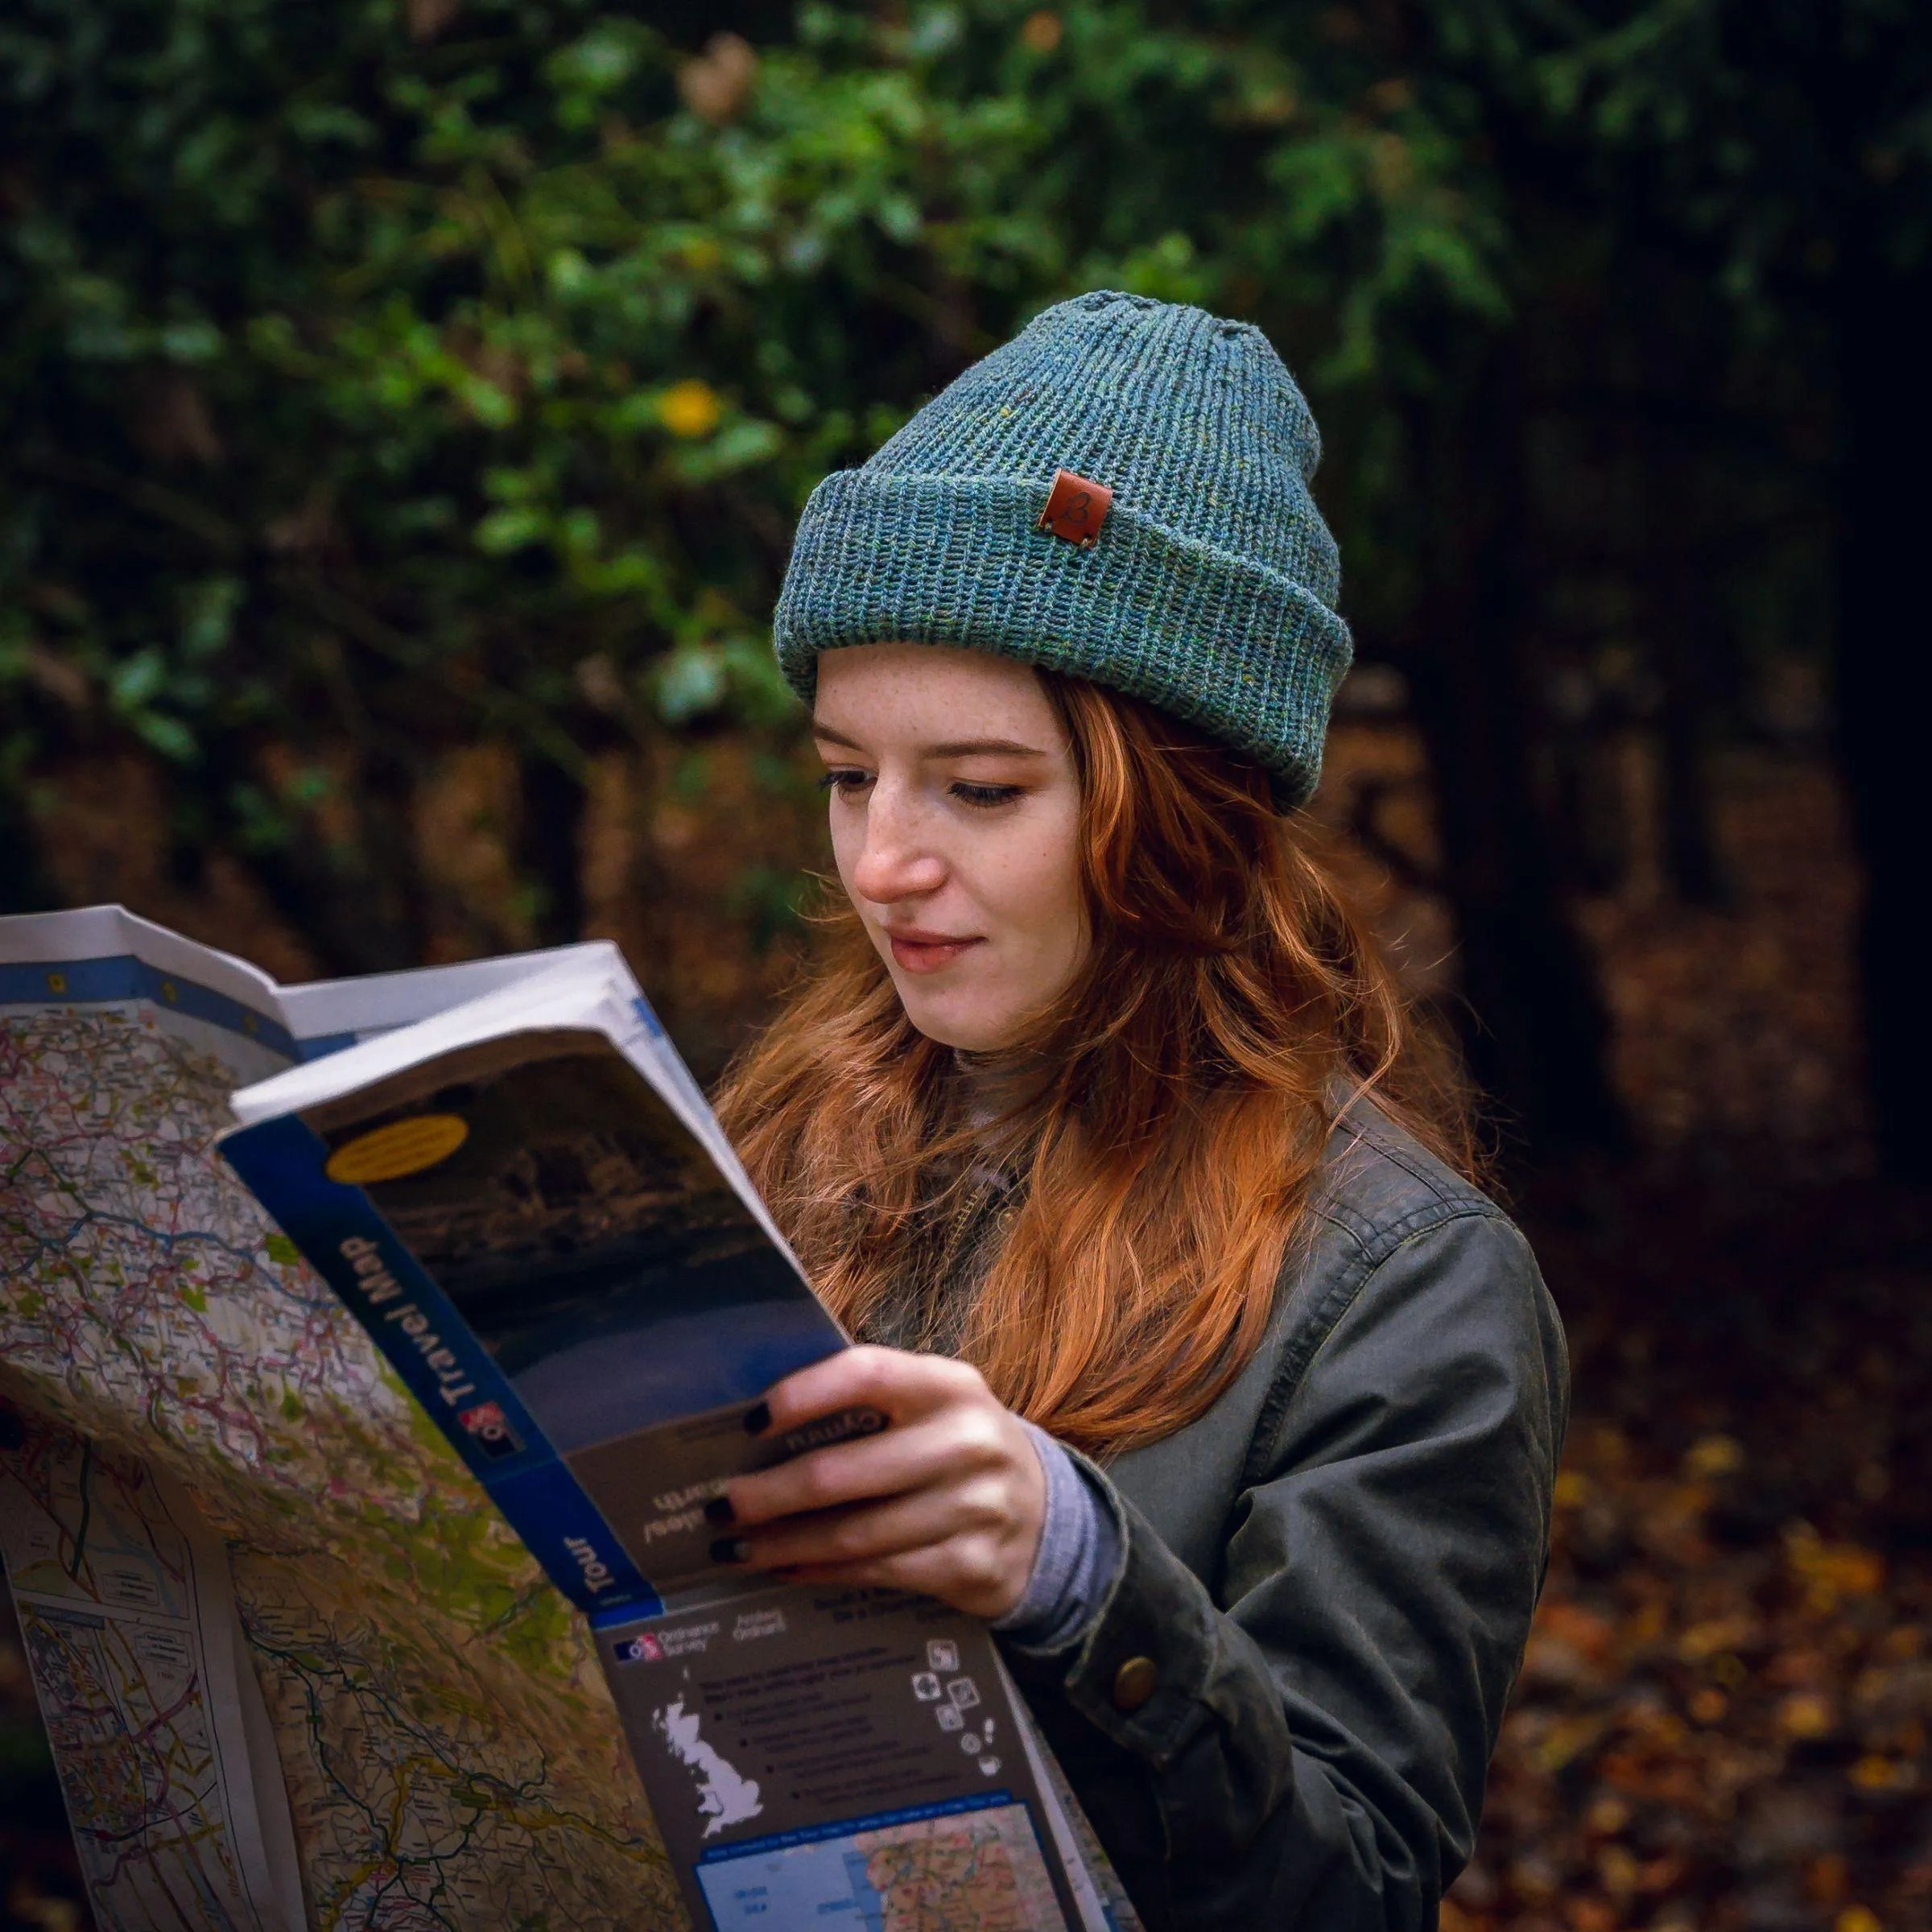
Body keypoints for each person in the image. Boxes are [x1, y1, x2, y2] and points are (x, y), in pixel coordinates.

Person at [705, 291, 1569, 1930]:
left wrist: (1080, 1583)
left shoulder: (1409, 1286)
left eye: (980, 788)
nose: (883, 862)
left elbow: (1350, 1889)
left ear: (1187, 808)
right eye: (843, 774)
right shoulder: (792, 1133)